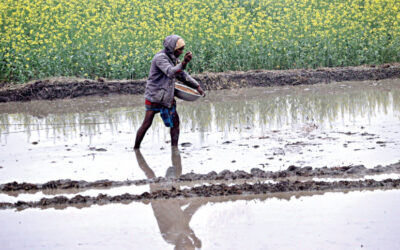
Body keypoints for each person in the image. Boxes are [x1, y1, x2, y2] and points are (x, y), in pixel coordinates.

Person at [134, 35, 205, 149]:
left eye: (183, 49)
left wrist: (197, 86)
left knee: (175, 123)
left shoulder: (173, 58)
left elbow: (182, 75)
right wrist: (184, 63)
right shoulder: (160, 58)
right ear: (172, 48)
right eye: (179, 49)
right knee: (147, 123)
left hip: (166, 96)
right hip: (155, 96)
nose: (181, 52)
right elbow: (171, 72)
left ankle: (174, 149)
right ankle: (136, 148)